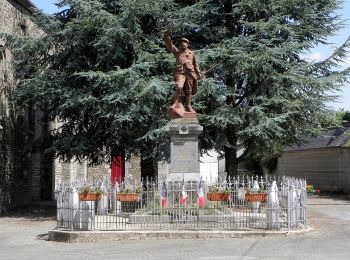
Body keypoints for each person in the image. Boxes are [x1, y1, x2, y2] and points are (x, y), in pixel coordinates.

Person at [163, 31, 201, 113]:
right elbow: (170, 46)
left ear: (187, 44)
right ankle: (175, 103)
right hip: (180, 72)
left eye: (185, 42)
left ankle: (188, 106)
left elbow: (195, 64)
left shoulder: (192, 53)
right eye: (182, 42)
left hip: (190, 73)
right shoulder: (177, 52)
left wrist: (198, 73)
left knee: (189, 91)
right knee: (179, 86)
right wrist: (167, 37)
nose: (183, 43)